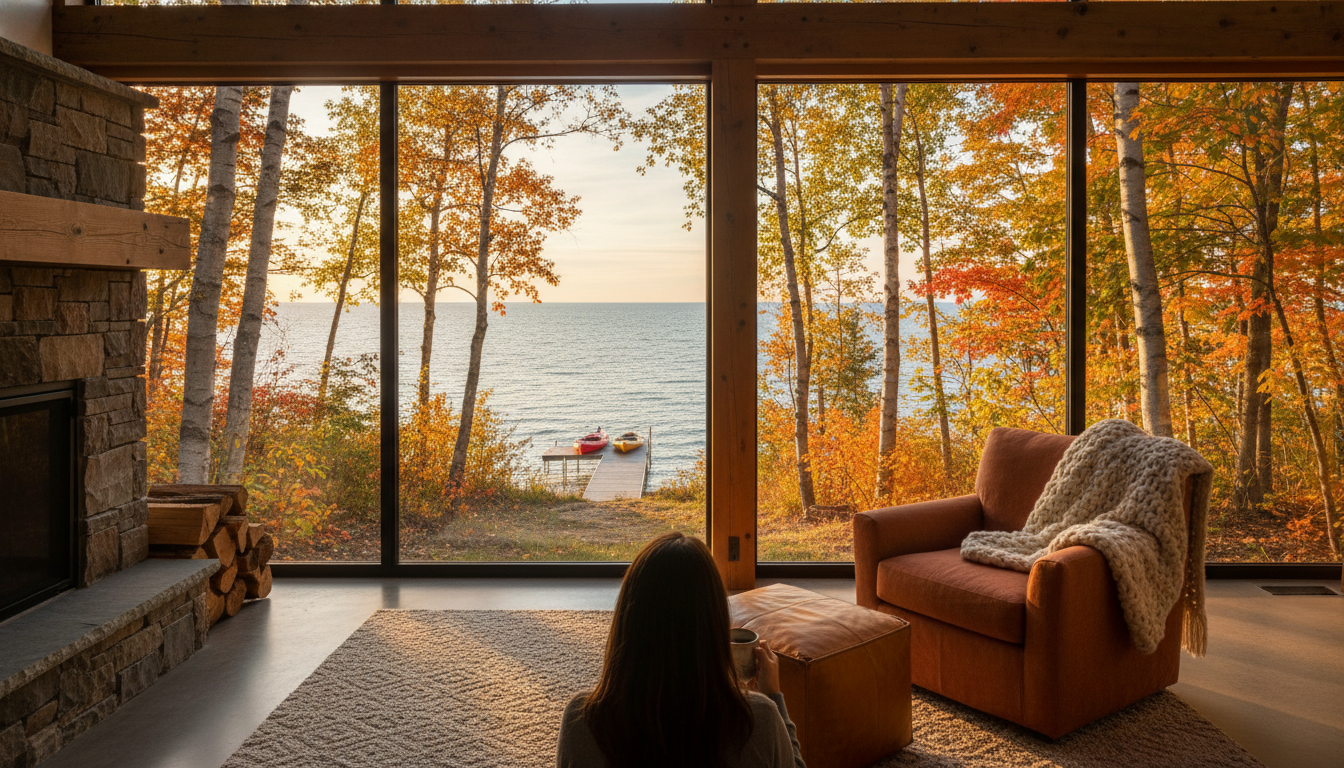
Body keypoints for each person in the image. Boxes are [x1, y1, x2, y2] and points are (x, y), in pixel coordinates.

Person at [556, 532, 805, 768]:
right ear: (714, 626)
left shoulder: (582, 723)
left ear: (627, 621)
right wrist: (773, 697)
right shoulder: (758, 722)